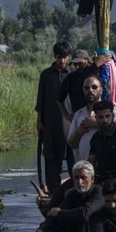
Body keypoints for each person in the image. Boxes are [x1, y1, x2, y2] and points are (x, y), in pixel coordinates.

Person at [31, 160, 104, 232]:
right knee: (63, 217)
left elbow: (84, 213)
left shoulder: (99, 192)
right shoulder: (73, 194)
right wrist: (41, 230)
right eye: (76, 178)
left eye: (83, 178)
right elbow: (55, 213)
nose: (79, 182)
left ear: (92, 178)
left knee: (81, 216)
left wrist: (59, 213)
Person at [36, 41, 74, 192]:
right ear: (55, 56)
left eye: (65, 57)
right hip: (50, 121)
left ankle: (74, 189)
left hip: (69, 121)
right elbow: (41, 100)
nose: (62, 61)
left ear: (69, 57)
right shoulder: (46, 75)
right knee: (51, 155)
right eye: (59, 57)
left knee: (72, 153)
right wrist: (39, 121)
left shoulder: (72, 74)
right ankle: (53, 192)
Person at [67, 75, 116, 163]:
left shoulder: (113, 108)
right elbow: (72, 144)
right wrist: (78, 132)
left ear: (101, 90)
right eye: (86, 88)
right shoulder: (79, 114)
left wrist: (97, 123)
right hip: (85, 169)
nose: (90, 90)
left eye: (94, 87)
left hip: (109, 166)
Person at [57, 49, 95, 121]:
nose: (77, 67)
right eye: (75, 64)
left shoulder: (95, 73)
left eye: (80, 63)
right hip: (79, 117)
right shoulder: (70, 78)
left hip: (97, 116)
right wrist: (66, 115)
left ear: (87, 60)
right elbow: (59, 99)